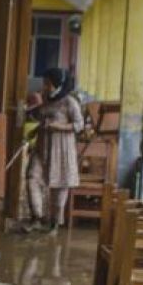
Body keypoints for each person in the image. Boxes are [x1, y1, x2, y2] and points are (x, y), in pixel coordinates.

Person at [24, 68, 84, 233]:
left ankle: (54, 224)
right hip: (43, 146)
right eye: (45, 83)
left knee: (59, 186)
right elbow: (43, 118)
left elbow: (79, 125)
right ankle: (37, 217)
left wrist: (58, 126)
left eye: (48, 83)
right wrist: (35, 130)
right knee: (32, 178)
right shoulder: (45, 99)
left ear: (57, 84)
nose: (45, 86)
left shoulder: (69, 102)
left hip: (62, 150)